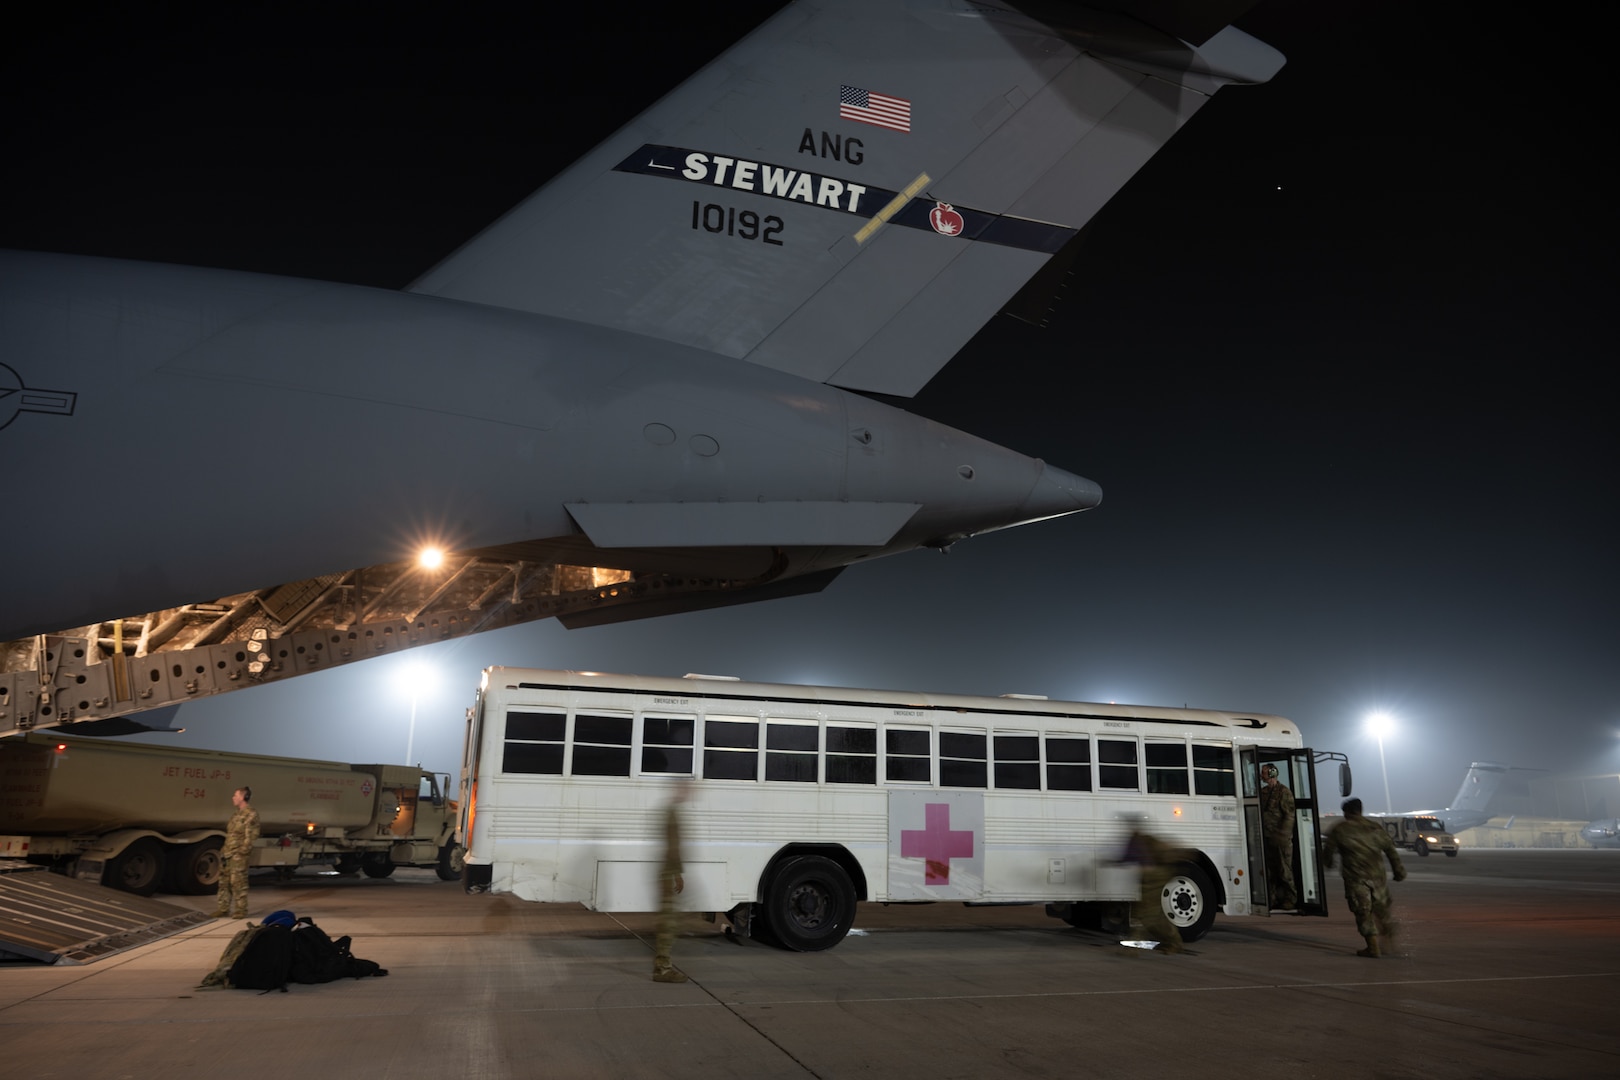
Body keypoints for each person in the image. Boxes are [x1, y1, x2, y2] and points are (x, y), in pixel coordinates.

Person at [1322, 797, 1406, 957]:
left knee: (1363, 911)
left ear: (1346, 812)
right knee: (1382, 909)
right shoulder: (1375, 828)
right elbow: (1391, 851)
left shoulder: (1340, 829)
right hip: (1378, 878)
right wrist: (1398, 871)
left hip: (1356, 879)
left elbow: (1328, 851)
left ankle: (1373, 947)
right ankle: (1389, 938)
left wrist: (1328, 863)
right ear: (1360, 811)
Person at [1118, 816, 1184, 954]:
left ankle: (1172, 943)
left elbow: (1131, 858)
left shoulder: (1140, 840)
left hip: (1155, 878)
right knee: (1146, 914)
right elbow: (1127, 858)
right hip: (1149, 879)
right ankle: (1170, 942)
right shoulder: (1135, 840)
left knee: (1145, 914)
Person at [652, 780, 691, 982]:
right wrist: (676, 874)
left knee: (670, 923)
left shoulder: (671, 811)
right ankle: (663, 970)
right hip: (668, 873)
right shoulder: (672, 813)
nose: (689, 793)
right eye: (686, 789)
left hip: (668, 872)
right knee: (667, 924)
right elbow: (672, 847)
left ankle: (663, 967)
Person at [212, 786, 260, 919]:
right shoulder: (236, 814)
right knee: (224, 882)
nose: (233, 798)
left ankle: (240, 910)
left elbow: (250, 837)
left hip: (238, 855)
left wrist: (241, 853)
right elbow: (231, 834)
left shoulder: (251, 814)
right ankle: (223, 909)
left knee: (238, 882)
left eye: (235, 795)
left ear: (243, 797)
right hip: (227, 853)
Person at [1259, 763, 1298, 910]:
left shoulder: (1284, 792)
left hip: (1280, 839)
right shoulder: (1263, 792)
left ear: (1272, 773)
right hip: (1267, 837)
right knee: (1270, 871)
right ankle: (1272, 898)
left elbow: (1289, 816)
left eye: (1264, 772)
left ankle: (1291, 899)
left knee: (1284, 870)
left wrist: (1282, 835)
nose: (1261, 775)